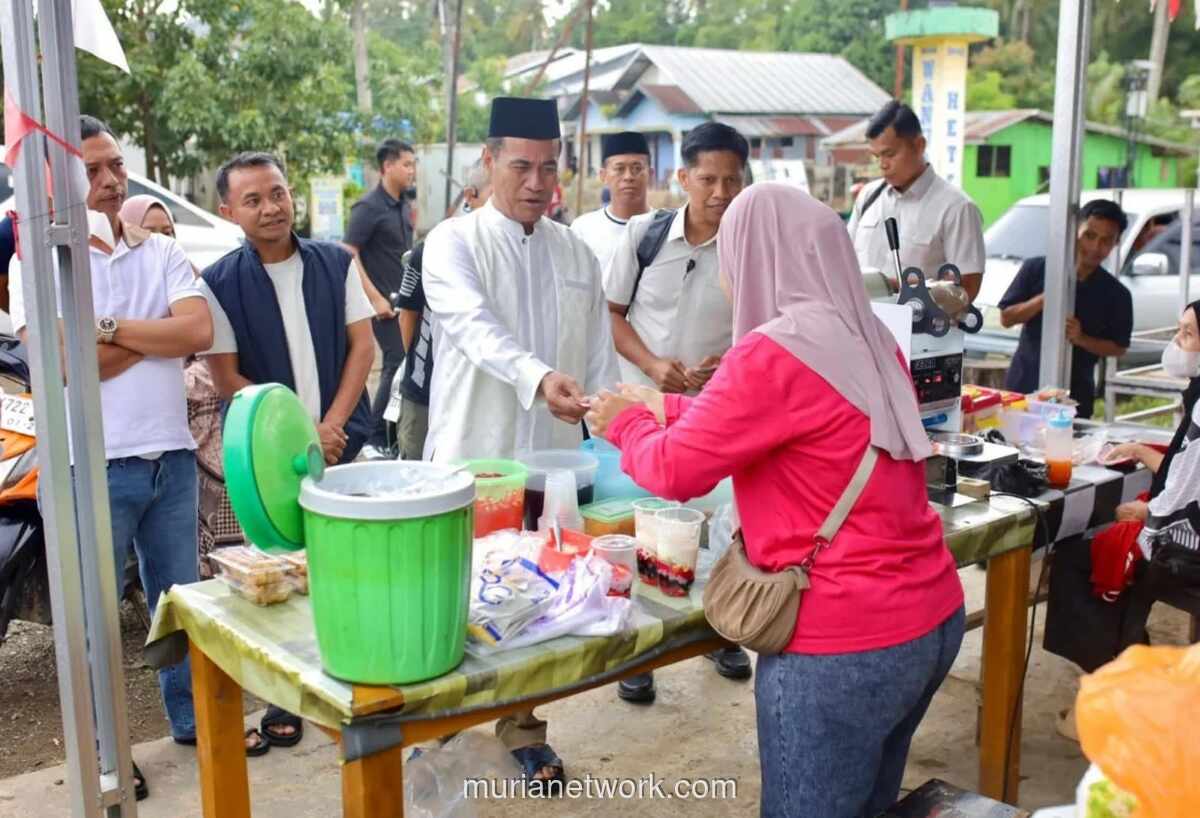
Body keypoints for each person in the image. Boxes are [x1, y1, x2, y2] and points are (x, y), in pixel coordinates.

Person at [586, 183, 965, 818]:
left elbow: (674, 470)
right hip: (929, 619)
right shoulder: (871, 336)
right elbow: (784, 421)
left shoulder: (772, 352)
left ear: (758, 256)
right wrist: (666, 405)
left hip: (840, 644)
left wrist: (627, 424)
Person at [9, 115, 215, 801]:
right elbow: (64, 364)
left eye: (116, 165)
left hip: (170, 460)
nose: (110, 180)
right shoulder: (36, 261)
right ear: (57, 181)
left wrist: (103, 330)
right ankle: (108, 751)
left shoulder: (160, 249)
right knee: (94, 620)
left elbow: (197, 330)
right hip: (90, 467)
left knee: (180, 605)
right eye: (91, 169)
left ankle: (191, 722)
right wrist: (151, 337)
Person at [422, 96, 619, 788]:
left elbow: (599, 356)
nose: (537, 183)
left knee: (537, 595)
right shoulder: (453, 242)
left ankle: (523, 728)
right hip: (472, 458)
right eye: (520, 167)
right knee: (458, 596)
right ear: (488, 161)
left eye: (549, 168)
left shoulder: (575, 251)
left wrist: (617, 424)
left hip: (551, 464)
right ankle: (435, 726)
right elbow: (474, 327)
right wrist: (539, 378)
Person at [199, 152, 375, 753]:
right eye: (253, 200)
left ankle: (356, 673)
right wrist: (300, 434)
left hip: (343, 439)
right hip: (269, 458)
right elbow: (227, 378)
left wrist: (332, 425)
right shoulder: (218, 283)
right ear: (229, 212)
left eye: (277, 193)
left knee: (347, 558)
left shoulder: (334, 263)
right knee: (281, 569)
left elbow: (362, 347)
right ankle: (286, 693)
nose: (271, 208)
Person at [603, 121, 751, 700]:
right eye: (708, 180)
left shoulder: (748, 245)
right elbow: (612, 314)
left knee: (718, 531)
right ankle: (638, 652)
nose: (720, 193)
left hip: (716, 412)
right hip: (643, 411)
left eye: (732, 181)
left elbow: (763, 327)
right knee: (647, 529)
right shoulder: (645, 234)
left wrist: (731, 363)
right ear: (683, 177)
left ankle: (721, 631)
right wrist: (653, 364)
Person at [998, 199, 1132, 418]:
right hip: (1024, 385)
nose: (1095, 247)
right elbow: (1007, 318)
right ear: (1075, 231)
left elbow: (1118, 347)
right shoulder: (1036, 269)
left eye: (1106, 241)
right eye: (1089, 236)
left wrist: (1081, 339)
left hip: (1076, 394)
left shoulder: (1116, 294)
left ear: (1116, 243)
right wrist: (1046, 298)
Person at [393, 169, 492, 460]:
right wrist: (420, 367)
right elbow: (407, 317)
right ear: (471, 196)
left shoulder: (506, 254)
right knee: (418, 472)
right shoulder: (431, 249)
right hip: (424, 391)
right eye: (494, 195)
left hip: (478, 394)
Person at [847, 100, 985, 302]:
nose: (883, 165)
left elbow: (967, 288)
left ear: (919, 145)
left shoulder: (957, 208)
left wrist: (895, 287)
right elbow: (845, 260)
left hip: (917, 322)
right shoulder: (868, 196)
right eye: (877, 157)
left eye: (890, 154)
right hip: (859, 318)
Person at [344, 139, 416, 455]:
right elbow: (349, 252)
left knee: (404, 364)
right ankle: (373, 439)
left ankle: (389, 436)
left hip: (404, 302)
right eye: (406, 164)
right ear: (387, 166)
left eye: (413, 165)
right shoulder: (368, 207)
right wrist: (373, 298)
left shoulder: (402, 205)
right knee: (395, 362)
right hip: (383, 305)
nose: (412, 171)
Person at [570, 131, 652, 272]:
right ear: (603, 175)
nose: (628, 177)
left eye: (637, 169)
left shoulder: (666, 228)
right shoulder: (583, 230)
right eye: (619, 169)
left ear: (650, 174)